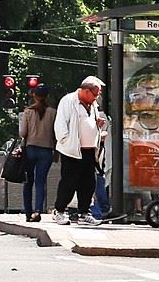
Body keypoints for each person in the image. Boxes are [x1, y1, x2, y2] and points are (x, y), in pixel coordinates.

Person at [53, 75, 105, 226]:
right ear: (86, 91)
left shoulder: (92, 105)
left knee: (89, 183)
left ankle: (84, 212)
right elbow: (61, 124)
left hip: (89, 150)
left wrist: (97, 126)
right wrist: (66, 140)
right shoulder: (68, 101)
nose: (96, 98)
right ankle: (59, 211)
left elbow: (88, 122)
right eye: (95, 94)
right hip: (73, 149)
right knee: (69, 182)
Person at [18, 81, 57, 221]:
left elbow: (22, 133)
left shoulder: (28, 112)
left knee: (28, 181)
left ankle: (28, 213)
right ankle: (38, 210)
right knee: (41, 181)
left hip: (30, 149)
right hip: (46, 150)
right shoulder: (53, 113)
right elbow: (56, 133)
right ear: (47, 96)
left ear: (34, 95)